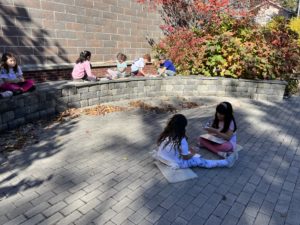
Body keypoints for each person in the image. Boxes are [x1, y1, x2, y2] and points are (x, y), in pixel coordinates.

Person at [155, 114, 237, 169]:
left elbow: (176, 148)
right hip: (175, 163)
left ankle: (224, 160)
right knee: (201, 161)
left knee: (191, 152)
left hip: (161, 157)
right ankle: (226, 162)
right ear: (182, 127)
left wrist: (188, 150)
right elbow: (185, 157)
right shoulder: (181, 139)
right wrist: (193, 153)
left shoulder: (166, 133)